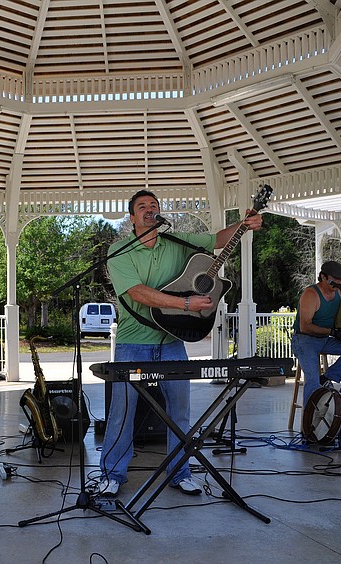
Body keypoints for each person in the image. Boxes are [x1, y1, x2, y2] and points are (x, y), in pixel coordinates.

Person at [96, 190, 263, 497]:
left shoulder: (176, 241)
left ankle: (180, 472)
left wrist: (244, 223)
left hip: (172, 340)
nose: (150, 210)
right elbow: (138, 293)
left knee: (180, 411)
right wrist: (186, 305)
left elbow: (217, 240)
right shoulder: (119, 249)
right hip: (133, 342)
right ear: (132, 218)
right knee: (122, 411)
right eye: (142, 207)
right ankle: (112, 474)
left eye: (154, 206)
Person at [291, 260, 341, 412]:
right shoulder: (311, 294)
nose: (339, 282)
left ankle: (327, 377)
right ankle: (309, 425)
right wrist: (331, 332)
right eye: (335, 279)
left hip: (324, 340)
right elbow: (305, 327)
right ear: (323, 277)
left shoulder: (338, 293)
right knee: (312, 380)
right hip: (304, 340)